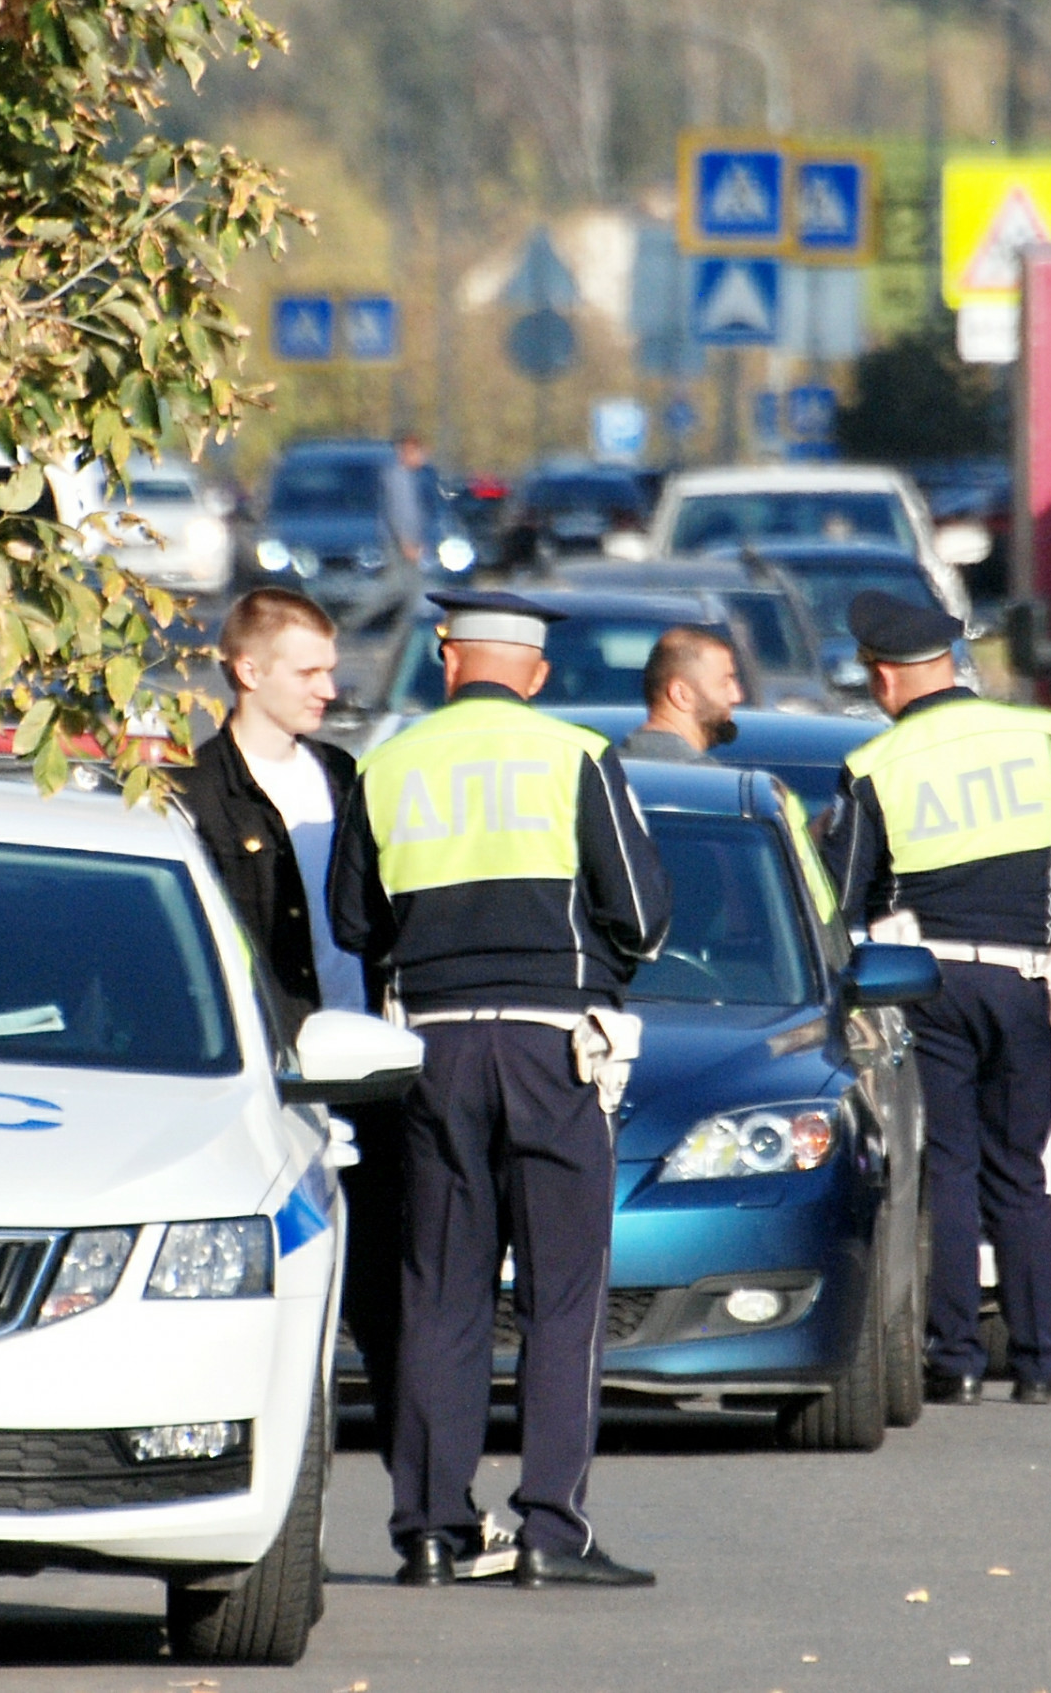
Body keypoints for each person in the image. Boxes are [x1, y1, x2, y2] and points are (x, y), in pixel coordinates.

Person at [328, 590, 673, 1590]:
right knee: (562, 1294)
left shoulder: (387, 761)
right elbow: (644, 916)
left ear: (447, 660)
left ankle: (431, 1529)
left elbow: (356, 922)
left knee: (440, 1291)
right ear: (530, 671)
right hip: (551, 1043)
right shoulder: (573, 756)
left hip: (431, 1045)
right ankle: (547, 1530)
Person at [822, 591, 1051, 1408]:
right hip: (1023, 978)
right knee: (1019, 1172)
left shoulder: (875, 765)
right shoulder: (1040, 737)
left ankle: (952, 1358)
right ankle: (1038, 1363)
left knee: (947, 1163)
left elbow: (847, 903)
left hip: (928, 982)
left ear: (885, 676)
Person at [170, 589, 403, 1436]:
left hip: (365, 1071)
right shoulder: (192, 791)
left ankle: (424, 1508)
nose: (328, 689)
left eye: (332, 669)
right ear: (247, 670)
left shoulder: (341, 777)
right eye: (309, 671)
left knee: (385, 1292)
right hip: (264, 1083)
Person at [619, 624, 742, 764]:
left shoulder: (608, 773)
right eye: (725, 683)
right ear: (681, 695)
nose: (736, 696)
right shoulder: (705, 778)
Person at [358, 432, 433, 634]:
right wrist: (407, 542)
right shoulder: (398, 478)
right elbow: (399, 513)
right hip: (400, 544)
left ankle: (403, 629)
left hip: (409, 542)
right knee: (397, 587)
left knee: (411, 588)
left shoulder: (410, 477)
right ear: (407, 452)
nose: (423, 458)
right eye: (420, 453)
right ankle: (356, 619)